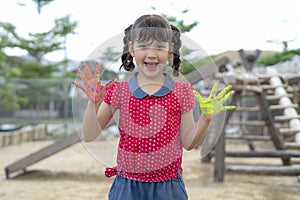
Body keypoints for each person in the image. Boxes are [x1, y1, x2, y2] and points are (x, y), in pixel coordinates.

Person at [72, 14, 235, 200]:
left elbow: (189, 143)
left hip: (169, 188)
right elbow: (89, 134)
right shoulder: (119, 90)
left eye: (159, 47)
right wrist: (93, 103)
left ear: (170, 50)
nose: (151, 54)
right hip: (127, 187)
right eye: (143, 46)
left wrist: (206, 119)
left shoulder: (182, 92)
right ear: (131, 49)